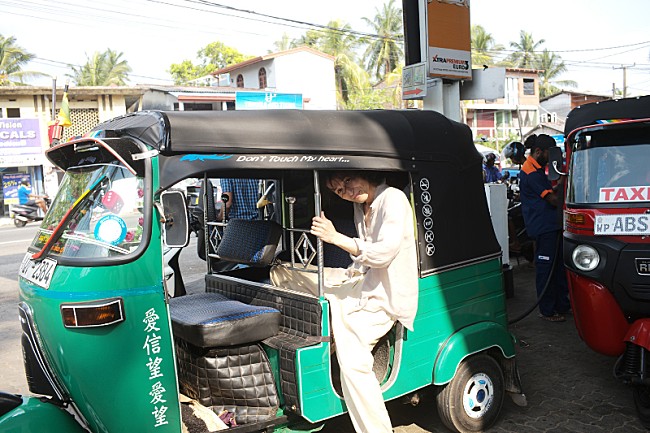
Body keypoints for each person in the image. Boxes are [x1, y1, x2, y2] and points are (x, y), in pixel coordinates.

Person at [310, 171, 418, 433]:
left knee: (353, 362)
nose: (346, 191)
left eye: (347, 181)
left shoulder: (392, 199)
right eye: (338, 191)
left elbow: (383, 253)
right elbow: (364, 259)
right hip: (363, 284)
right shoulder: (362, 207)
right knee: (289, 275)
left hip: (386, 298)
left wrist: (335, 237)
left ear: (365, 173)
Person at [519, 134, 571, 322]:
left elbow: (548, 193)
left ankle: (562, 305)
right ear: (539, 151)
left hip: (550, 225)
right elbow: (552, 200)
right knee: (546, 269)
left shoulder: (537, 169)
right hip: (543, 227)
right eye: (549, 154)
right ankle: (547, 310)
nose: (550, 158)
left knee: (558, 268)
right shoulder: (531, 172)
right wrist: (566, 182)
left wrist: (558, 185)